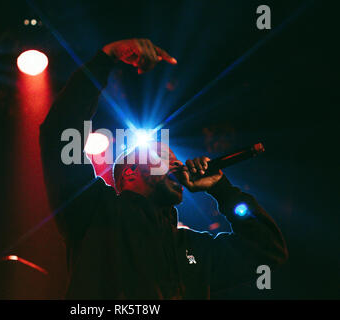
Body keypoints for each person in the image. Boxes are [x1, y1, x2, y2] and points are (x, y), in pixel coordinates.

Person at [39, 38, 288, 299]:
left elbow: (267, 251)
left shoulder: (192, 248)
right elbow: (60, 131)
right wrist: (107, 57)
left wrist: (223, 191)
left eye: (175, 158)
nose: (178, 164)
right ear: (130, 172)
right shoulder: (94, 213)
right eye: (162, 156)